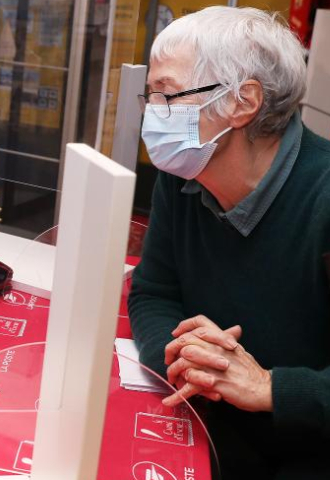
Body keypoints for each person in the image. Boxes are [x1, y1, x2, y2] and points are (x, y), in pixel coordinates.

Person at [128, 7, 330, 479]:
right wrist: (181, 358)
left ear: (243, 102)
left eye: (167, 95)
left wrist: (268, 387)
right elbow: (154, 292)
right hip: (209, 430)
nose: (153, 114)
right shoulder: (184, 175)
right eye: (150, 96)